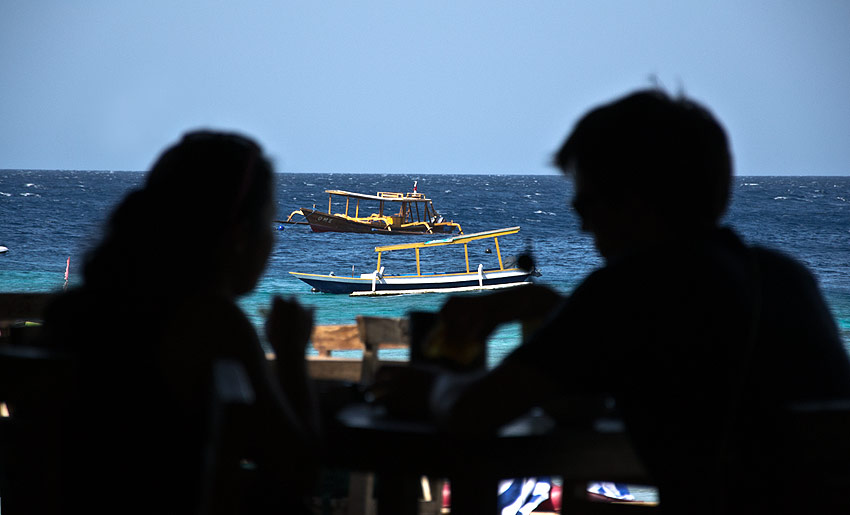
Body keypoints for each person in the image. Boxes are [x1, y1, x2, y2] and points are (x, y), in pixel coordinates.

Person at [374, 90, 850, 514]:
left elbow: (473, 415)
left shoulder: (632, 287)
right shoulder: (786, 277)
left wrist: (432, 386)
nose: (582, 227)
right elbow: (600, 387)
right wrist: (545, 305)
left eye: (586, 204)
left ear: (632, 200)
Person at [40, 131, 318, 514]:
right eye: (269, 222)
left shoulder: (72, 312)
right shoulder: (214, 323)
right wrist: (290, 353)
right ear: (239, 236)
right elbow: (296, 469)